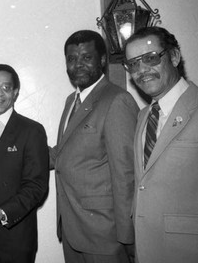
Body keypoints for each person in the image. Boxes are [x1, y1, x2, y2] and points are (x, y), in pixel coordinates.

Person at [51, 30, 138, 263]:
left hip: (104, 233)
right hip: (72, 228)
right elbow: (65, 153)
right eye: (71, 59)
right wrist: (19, 150)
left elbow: (126, 175)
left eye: (86, 57)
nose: (77, 64)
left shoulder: (117, 100)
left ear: (101, 61)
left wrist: (129, 237)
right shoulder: (72, 101)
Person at [124, 26, 198, 263]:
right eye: (133, 64)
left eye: (150, 58)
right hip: (146, 249)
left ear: (175, 57)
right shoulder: (144, 115)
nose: (142, 70)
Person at [0, 64, 49, 263]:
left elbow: (37, 186)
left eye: (6, 88)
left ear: (15, 92)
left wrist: (2, 213)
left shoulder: (32, 130)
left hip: (16, 235)